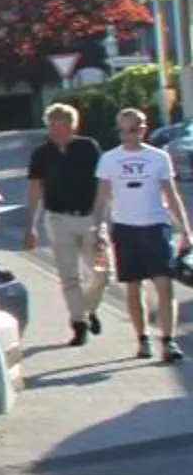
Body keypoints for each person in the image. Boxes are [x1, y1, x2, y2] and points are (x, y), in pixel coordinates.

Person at [99, 108, 192, 361]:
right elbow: (103, 197)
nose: (127, 135)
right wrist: (99, 228)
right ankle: (142, 339)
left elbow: (171, 195)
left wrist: (185, 230)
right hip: (126, 228)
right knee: (133, 286)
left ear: (143, 129)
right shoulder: (109, 159)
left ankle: (168, 340)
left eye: (132, 130)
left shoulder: (158, 158)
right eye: (122, 130)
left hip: (156, 226)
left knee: (164, 283)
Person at [23, 103, 109, 348]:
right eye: (51, 125)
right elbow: (35, 189)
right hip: (58, 219)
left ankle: (88, 308)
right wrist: (31, 224)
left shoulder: (88, 148)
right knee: (70, 276)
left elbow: (103, 185)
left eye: (59, 125)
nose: (54, 130)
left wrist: (103, 218)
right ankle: (78, 323)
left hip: (90, 218)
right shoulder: (42, 153)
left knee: (103, 273)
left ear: (72, 126)